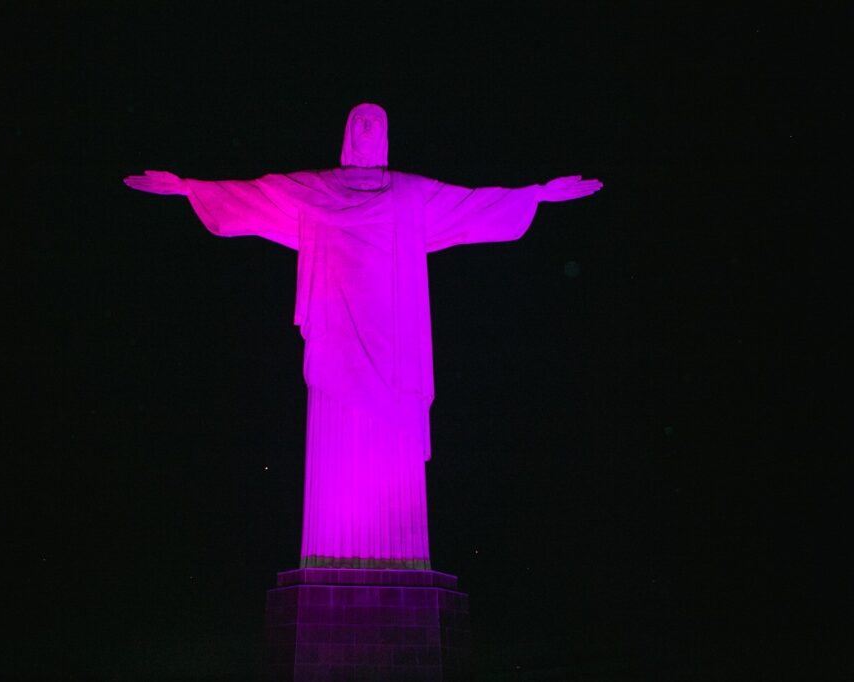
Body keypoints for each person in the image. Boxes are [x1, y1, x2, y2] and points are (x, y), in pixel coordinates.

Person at [124, 103, 602, 569]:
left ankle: (401, 558)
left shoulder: (410, 196)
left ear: (386, 134)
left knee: (392, 445)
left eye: (377, 121)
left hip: (395, 346)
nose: (369, 126)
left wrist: (534, 195)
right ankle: (329, 556)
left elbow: (471, 203)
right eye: (361, 120)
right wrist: (190, 188)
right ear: (350, 132)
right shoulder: (317, 190)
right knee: (338, 440)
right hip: (336, 338)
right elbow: (256, 195)